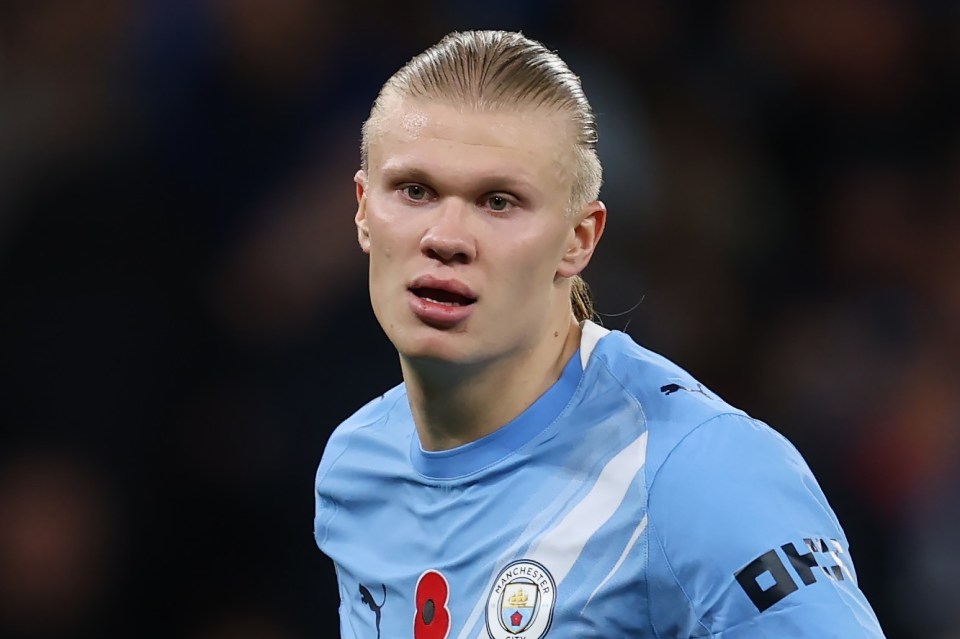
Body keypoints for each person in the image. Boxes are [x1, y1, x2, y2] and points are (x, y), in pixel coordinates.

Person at [313, 30, 885, 639]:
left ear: (579, 240)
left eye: (499, 202)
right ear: (362, 209)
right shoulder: (357, 467)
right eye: (415, 191)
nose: (447, 237)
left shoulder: (695, 471)